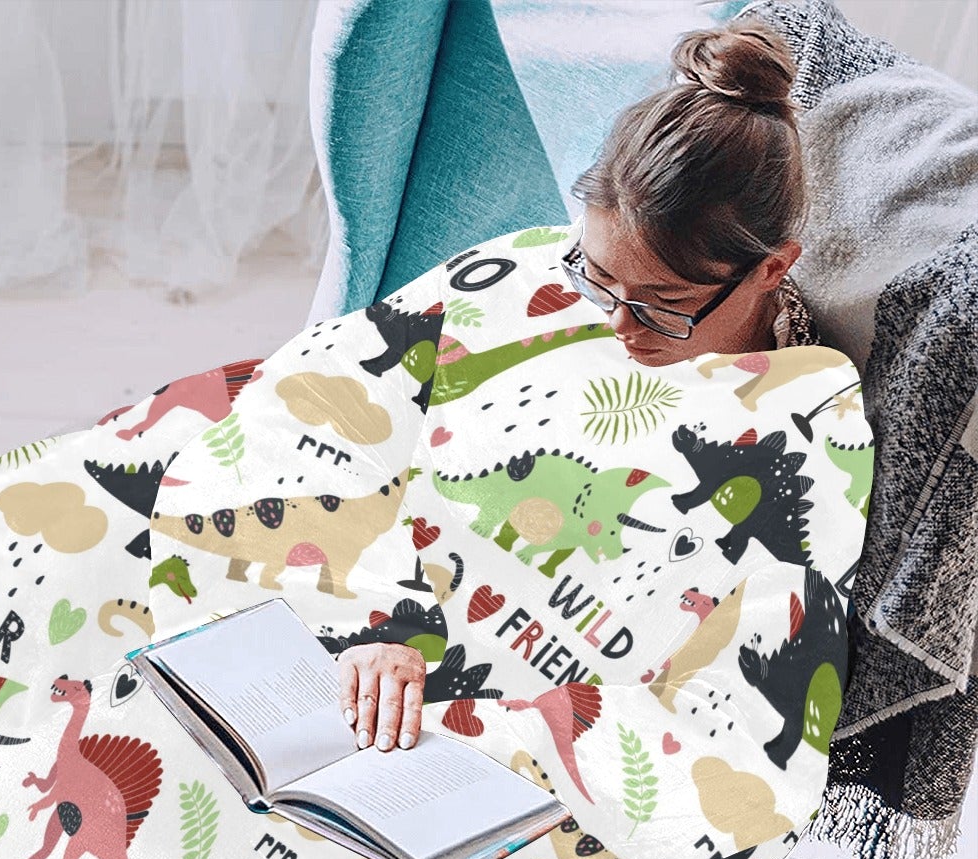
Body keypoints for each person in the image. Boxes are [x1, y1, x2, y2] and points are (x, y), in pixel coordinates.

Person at [338, 14, 819, 755]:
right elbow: (379, 436)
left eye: (662, 304)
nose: (619, 325)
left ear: (772, 268)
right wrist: (386, 620)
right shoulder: (541, 295)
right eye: (597, 277)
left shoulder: (801, 427)